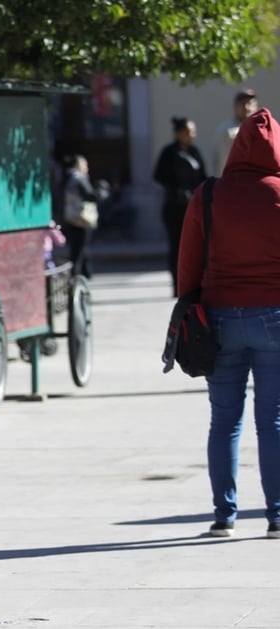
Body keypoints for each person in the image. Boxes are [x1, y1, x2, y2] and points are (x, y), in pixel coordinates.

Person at [176, 107, 280, 540]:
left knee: (224, 420)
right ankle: (276, 516)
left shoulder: (209, 194)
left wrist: (187, 305)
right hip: (274, 318)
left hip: (218, 319)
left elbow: (188, 263)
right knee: (272, 419)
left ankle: (224, 515)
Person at [154, 117, 207, 296]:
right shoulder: (169, 153)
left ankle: (197, 284)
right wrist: (177, 188)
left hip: (194, 205)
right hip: (175, 207)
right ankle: (177, 284)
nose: (192, 135)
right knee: (176, 245)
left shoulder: (195, 152)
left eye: (193, 131)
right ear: (179, 133)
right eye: (188, 131)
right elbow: (158, 175)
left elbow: (203, 177)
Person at [59, 154, 105, 279]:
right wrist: (101, 192)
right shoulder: (78, 178)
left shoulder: (66, 177)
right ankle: (77, 275)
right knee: (79, 249)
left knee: (79, 247)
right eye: (85, 164)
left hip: (70, 216)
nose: (87, 167)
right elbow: (89, 196)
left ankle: (85, 273)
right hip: (80, 218)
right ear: (78, 165)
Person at [211, 88, 258, 177]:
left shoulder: (261, 129)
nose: (247, 107)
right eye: (243, 104)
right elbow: (222, 163)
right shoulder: (227, 130)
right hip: (234, 183)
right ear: (235, 106)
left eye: (250, 103)